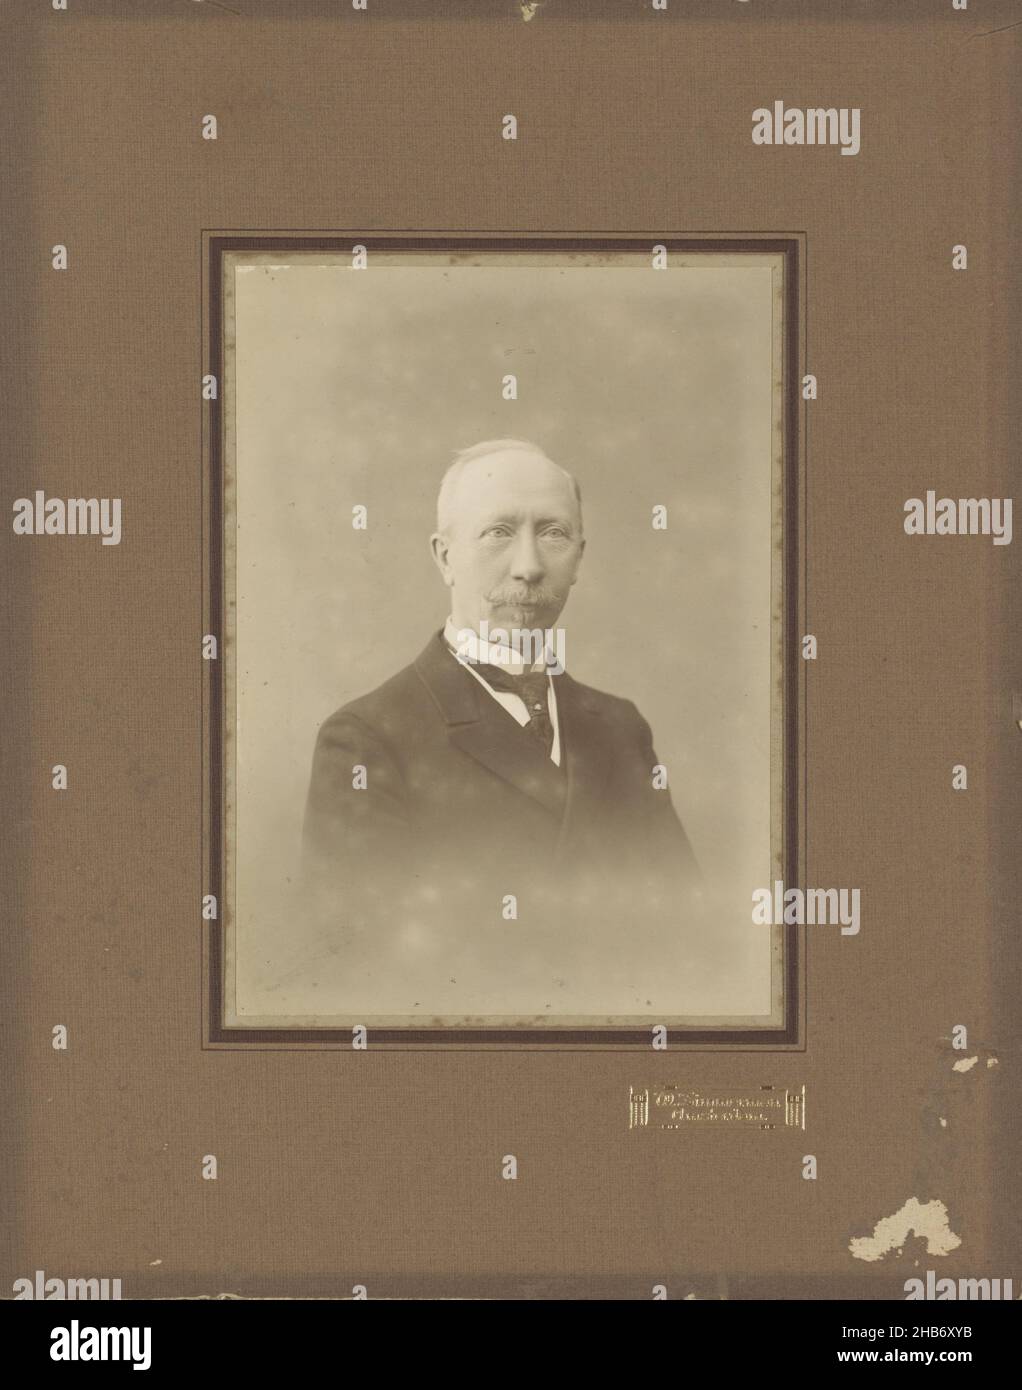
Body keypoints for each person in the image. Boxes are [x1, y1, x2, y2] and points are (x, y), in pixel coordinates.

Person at [301, 439, 699, 981]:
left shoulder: (621, 728)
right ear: (445, 557)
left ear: (580, 558)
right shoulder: (368, 739)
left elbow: (691, 931)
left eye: (554, 533)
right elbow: (362, 964)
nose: (529, 567)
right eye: (499, 533)